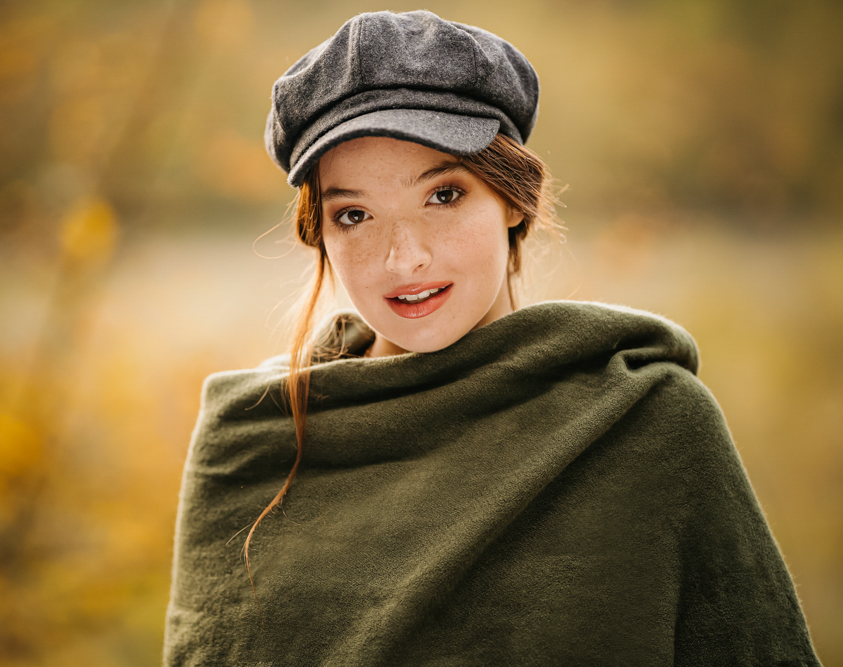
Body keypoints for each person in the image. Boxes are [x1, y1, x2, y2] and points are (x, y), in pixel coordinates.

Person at [162, 10, 821, 666]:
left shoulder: (648, 424)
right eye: (355, 214)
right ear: (321, 235)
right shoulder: (250, 440)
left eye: (443, 194)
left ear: (514, 197)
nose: (404, 258)